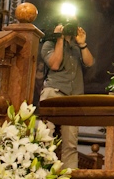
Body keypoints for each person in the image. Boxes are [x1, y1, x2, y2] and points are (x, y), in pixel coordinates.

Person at [40, 20, 94, 169]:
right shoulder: (48, 44)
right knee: (45, 137)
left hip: (73, 97)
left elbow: (89, 62)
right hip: (54, 91)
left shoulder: (77, 48)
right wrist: (59, 38)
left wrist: (82, 44)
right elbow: (55, 64)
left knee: (71, 143)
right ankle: (42, 174)